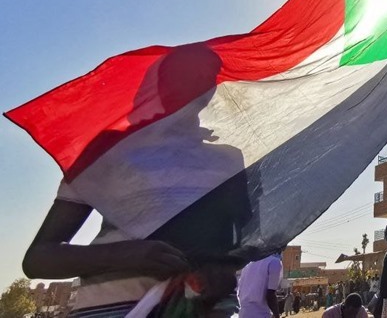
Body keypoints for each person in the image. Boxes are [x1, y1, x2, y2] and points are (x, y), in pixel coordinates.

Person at [21, 44, 243, 316]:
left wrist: (220, 269)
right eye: (183, 74)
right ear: (158, 84)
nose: (199, 83)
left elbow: (242, 244)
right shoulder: (107, 152)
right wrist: (128, 255)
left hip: (203, 309)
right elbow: (38, 259)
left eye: (207, 77)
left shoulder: (228, 161)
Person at [237, 251, 283, 318]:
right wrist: (277, 315)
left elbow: (239, 292)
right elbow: (270, 295)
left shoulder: (249, 264)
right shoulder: (274, 262)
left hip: (243, 313)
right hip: (260, 314)